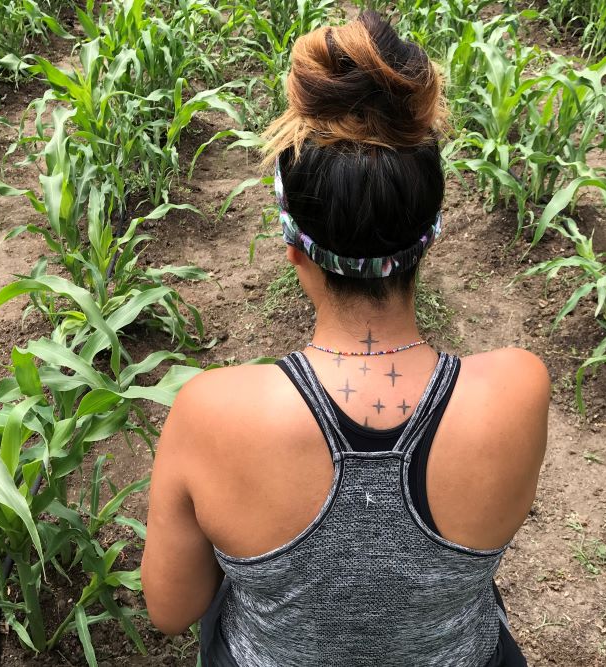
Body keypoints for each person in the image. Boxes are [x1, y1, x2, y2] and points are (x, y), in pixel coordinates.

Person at [141, 11, 549, 666]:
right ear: (430, 232)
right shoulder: (518, 391)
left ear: (294, 248)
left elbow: (171, 606)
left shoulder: (210, 415)